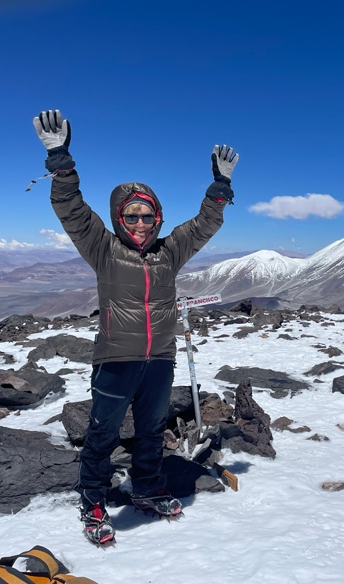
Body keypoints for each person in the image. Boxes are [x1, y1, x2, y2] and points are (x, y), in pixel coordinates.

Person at [32, 109, 238, 546]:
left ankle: (148, 485)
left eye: (147, 216)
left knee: (150, 430)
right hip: (117, 358)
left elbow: (203, 226)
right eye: (131, 217)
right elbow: (70, 209)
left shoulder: (170, 252)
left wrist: (220, 188)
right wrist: (60, 160)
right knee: (103, 432)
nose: (141, 224)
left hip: (160, 358)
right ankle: (91, 498)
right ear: (118, 220)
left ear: (158, 218)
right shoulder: (103, 248)